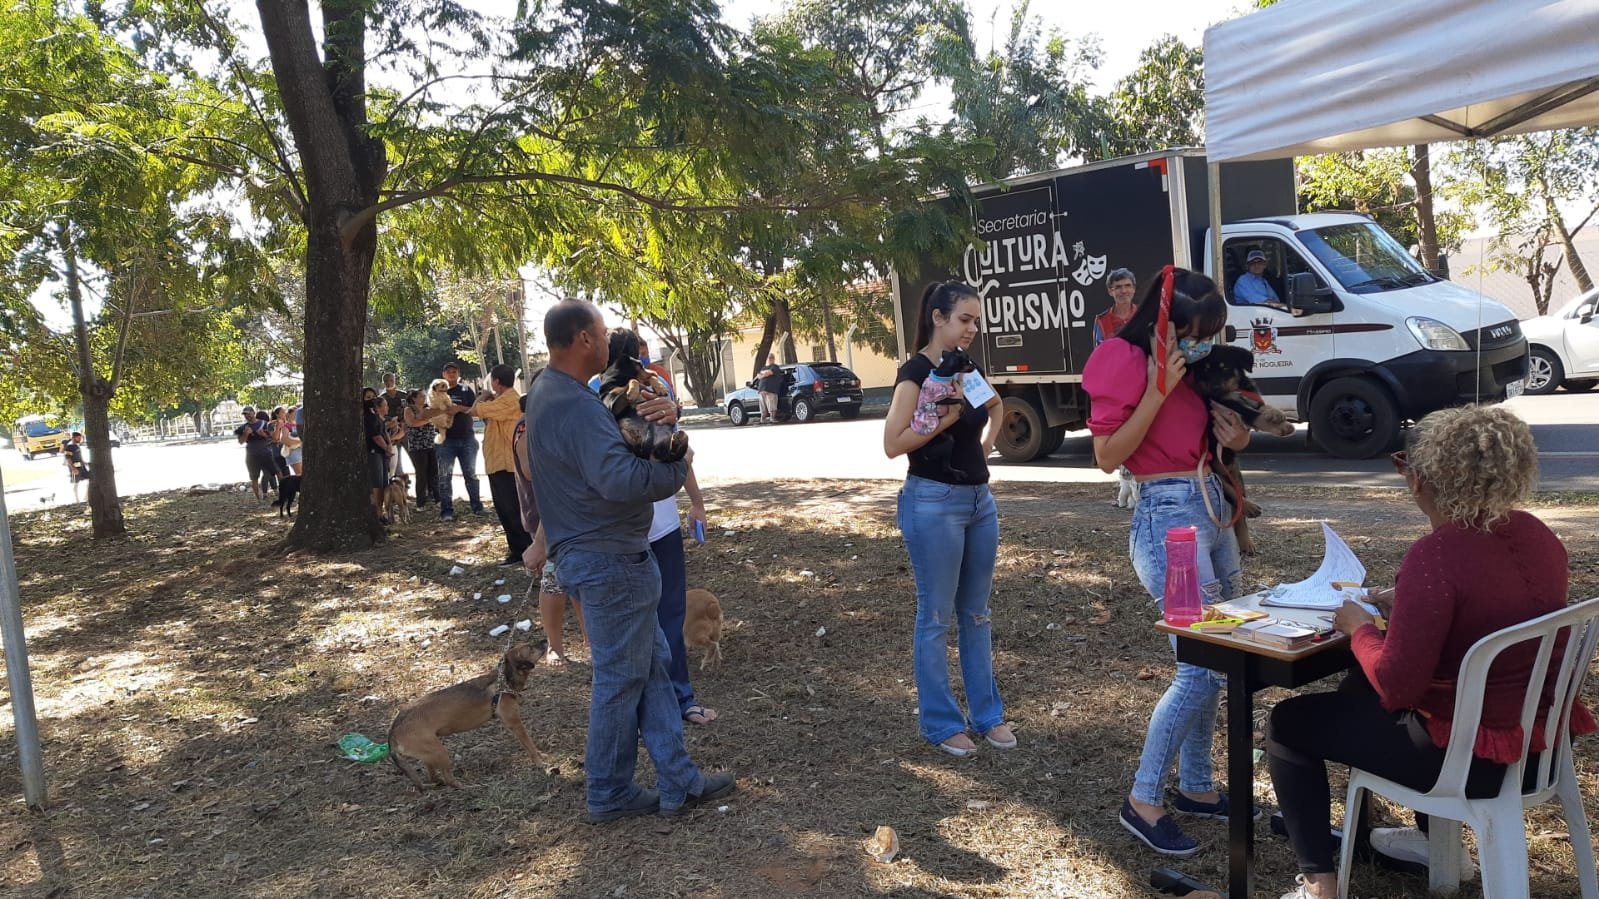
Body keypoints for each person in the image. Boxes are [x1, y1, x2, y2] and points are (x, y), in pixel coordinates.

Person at [1266, 405, 1597, 899]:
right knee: (1355, 688)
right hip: (1539, 746)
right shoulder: (1538, 535)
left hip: (1468, 761)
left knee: (1288, 722)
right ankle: (1433, 841)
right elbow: (1495, 615)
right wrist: (1410, 609)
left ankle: (1319, 886)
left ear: (1420, 479)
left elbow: (1399, 685)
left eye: (1404, 466)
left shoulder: (1436, 556)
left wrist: (1360, 628)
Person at [525, 299, 735, 823]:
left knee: (653, 669)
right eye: (600, 331)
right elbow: (619, 480)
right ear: (581, 340)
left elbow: (600, 459)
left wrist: (663, 422)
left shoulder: (551, 394)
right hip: (609, 560)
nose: (608, 340)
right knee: (621, 681)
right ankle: (609, 791)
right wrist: (676, 462)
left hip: (601, 555)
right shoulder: (572, 403)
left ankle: (679, 781)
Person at [1083, 267, 1252, 857]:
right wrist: (1156, 390)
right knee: (1199, 668)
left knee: (1225, 657)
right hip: (1169, 523)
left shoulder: (1197, 362)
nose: (1203, 344)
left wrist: (1236, 441)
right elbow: (1108, 456)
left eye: (1212, 333)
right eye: (1194, 333)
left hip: (1212, 509)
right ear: (1165, 323)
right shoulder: (1123, 361)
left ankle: (1199, 787)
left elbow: (1219, 428)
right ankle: (1144, 800)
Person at [883, 281, 1009, 758]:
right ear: (938, 318)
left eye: (976, 320)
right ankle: (940, 722)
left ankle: (988, 715)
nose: (972, 328)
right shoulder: (914, 373)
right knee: (935, 616)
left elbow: (996, 407)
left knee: (976, 614)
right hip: (933, 502)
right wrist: (946, 423)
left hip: (979, 503)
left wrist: (985, 448)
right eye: (964, 319)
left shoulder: (968, 369)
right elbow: (893, 444)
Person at [605, 328, 717, 727]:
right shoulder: (593, 396)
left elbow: (678, 449)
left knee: (670, 614)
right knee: (632, 624)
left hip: (662, 525)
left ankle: (680, 699)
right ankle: (641, 709)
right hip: (619, 533)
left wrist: (697, 502)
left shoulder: (657, 392)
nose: (645, 362)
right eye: (641, 354)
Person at [474, 363, 534, 567]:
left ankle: (522, 550)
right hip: (497, 463)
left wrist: (483, 395)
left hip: (506, 464)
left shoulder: (509, 400)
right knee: (504, 508)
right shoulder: (502, 400)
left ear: (496, 382)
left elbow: (476, 410)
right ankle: (517, 549)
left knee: (512, 509)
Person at [434, 362, 484, 522]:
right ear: (443, 374)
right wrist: (443, 411)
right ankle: (446, 511)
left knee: (471, 474)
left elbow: (474, 409)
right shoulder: (436, 389)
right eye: (448, 372)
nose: (451, 374)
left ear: (458, 373)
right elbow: (428, 411)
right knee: (444, 476)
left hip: (467, 439)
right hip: (445, 440)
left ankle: (477, 508)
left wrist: (459, 408)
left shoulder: (465, 389)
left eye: (454, 372)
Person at [402, 389, 440, 509]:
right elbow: (412, 423)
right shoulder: (409, 410)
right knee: (421, 474)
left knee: (434, 472)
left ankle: (437, 499)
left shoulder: (428, 408)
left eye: (425, 396)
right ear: (414, 398)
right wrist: (428, 419)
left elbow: (437, 419)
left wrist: (425, 419)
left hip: (431, 444)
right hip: (417, 446)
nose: (424, 398)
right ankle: (421, 502)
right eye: (421, 396)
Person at [234, 406, 276, 504]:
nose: (247, 416)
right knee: (254, 477)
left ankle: (277, 492)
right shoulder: (243, 427)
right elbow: (240, 442)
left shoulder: (265, 424)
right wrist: (246, 434)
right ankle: (258, 498)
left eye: (249, 413)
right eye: (245, 414)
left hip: (266, 453)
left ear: (254, 412)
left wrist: (263, 435)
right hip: (252, 455)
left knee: (271, 473)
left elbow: (272, 438)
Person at [364, 395, 393, 522]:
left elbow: (383, 434)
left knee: (382, 483)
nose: (387, 407)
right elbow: (376, 436)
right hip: (374, 452)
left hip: (381, 453)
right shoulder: (372, 419)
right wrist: (386, 448)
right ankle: (377, 513)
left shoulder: (379, 419)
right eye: (385, 405)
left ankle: (381, 512)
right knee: (377, 484)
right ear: (378, 407)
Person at [1094, 267, 1139, 345]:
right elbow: (1099, 353)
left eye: (1128, 285)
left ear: (1134, 289)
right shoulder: (1102, 321)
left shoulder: (1144, 313)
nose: (1124, 291)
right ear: (1110, 291)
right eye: (1118, 287)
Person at [380, 374, 406, 479]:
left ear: (395, 380)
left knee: (416, 459)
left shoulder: (404, 395)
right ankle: (400, 490)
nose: (389, 382)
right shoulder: (382, 398)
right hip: (392, 433)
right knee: (396, 463)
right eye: (386, 380)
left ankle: (425, 490)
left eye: (391, 380)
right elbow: (381, 415)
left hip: (406, 430)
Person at [63, 432, 90, 502]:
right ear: (73, 438)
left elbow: (79, 457)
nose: (80, 439)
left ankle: (86, 497)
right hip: (75, 468)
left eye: (80, 438)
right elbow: (68, 458)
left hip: (82, 467)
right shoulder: (69, 446)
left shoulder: (77, 445)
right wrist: (73, 469)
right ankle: (77, 499)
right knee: (76, 483)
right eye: (78, 438)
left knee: (90, 479)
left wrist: (84, 463)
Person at [756, 354, 782, 424]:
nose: (770, 359)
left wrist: (762, 375)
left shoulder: (775, 367)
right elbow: (758, 375)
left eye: (771, 358)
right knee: (762, 406)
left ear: (774, 359)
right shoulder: (763, 368)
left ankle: (772, 418)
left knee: (772, 405)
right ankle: (762, 419)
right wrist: (763, 375)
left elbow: (769, 373)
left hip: (771, 390)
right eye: (769, 358)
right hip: (761, 390)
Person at [281, 405, 304, 475]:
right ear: (289, 414)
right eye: (295, 412)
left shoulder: (299, 424)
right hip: (294, 453)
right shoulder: (287, 426)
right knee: (300, 474)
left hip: (301, 451)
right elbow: (284, 440)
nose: (297, 414)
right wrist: (300, 441)